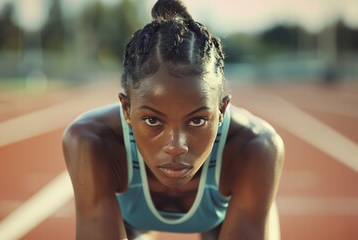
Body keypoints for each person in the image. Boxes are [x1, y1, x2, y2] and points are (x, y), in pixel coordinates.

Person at [62, 0, 284, 239]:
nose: (177, 146)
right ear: (126, 109)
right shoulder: (92, 142)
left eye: (197, 121)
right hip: (128, 221)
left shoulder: (254, 147)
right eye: (153, 121)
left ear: (222, 110)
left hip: (221, 220)